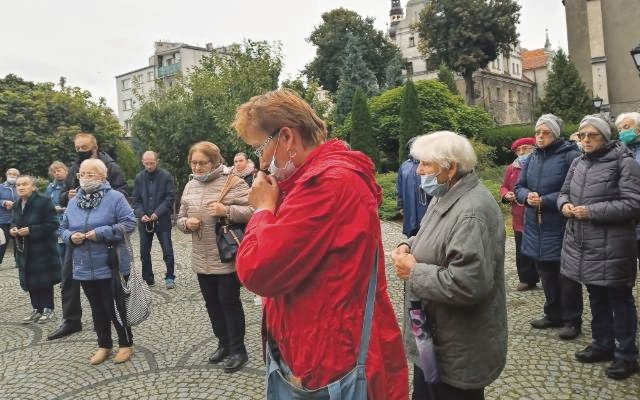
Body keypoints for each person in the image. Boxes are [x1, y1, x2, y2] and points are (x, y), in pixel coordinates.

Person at [231, 89, 408, 399]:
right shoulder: (308, 180)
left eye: (260, 148)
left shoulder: (325, 183)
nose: (260, 163)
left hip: (330, 359)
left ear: (286, 137)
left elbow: (258, 270)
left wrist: (262, 210)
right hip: (318, 347)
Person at [391, 131, 507, 400]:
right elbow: (430, 232)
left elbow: (469, 284)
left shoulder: (471, 211)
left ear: (451, 167)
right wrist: (410, 244)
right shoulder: (447, 193)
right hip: (435, 339)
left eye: (426, 164)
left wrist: (414, 272)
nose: (418, 171)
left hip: (457, 347)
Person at [559, 115, 640, 380]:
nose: (585, 140)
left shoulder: (624, 161)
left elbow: (633, 204)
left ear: (605, 136)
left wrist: (591, 211)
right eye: (581, 135)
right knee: (596, 296)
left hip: (614, 245)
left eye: (591, 135)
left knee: (620, 300)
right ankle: (602, 344)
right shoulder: (577, 162)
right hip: (584, 244)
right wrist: (564, 205)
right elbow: (564, 192)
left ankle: (626, 355)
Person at [176, 141, 252, 373]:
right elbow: (180, 218)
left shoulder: (234, 182)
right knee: (212, 304)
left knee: (229, 303)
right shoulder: (190, 186)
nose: (197, 167)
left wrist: (226, 211)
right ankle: (224, 345)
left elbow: (255, 210)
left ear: (215, 162)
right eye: (193, 163)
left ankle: (239, 350)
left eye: (202, 163)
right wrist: (186, 224)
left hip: (226, 256)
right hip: (201, 258)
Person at [49, 132, 127, 341]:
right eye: (77, 149)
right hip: (77, 238)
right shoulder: (75, 168)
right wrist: (69, 196)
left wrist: (103, 228)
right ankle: (72, 320)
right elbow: (64, 195)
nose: (80, 152)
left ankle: (119, 332)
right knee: (68, 279)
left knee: (109, 292)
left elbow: (122, 199)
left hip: (104, 243)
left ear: (94, 147)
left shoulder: (110, 167)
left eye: (84, 148)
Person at [60, 159, 136, 365]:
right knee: (96, 307)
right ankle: (104, 344)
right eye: (81, 174)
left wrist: (101, 233)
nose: (84, 178)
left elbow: (129, 223)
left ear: (103, 177)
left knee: (116, 306)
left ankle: (126, 343)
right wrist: (70, 236)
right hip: (83, 263)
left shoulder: (115, 198)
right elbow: (62, 227)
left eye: (90, 174)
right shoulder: (74, 201)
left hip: (111, 262)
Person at [515, 114, 583, 340]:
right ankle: (553, 313)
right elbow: (519, 186)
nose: (540, 137)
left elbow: (574, 190)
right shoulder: (533, 157)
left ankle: (572, 320)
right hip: (536, 224)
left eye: (545, 133)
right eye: (537, 132)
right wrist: (527, 197)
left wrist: (545, 199)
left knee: (566, 275)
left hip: (561, 224)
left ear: (555, 134)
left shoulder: (570, 155)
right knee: (545, 272)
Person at [11, 176, 61, 324]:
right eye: (18, 185)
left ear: (33, 187)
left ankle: (48, 308)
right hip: (24, 248)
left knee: (44, 279)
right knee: (30, 279)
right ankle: (36, 309)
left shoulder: (44, 201)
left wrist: (31, 230)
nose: (21, 187)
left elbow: (53, 224)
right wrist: (13, 229)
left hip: (43, 248)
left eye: (24, 184)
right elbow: (14, 221)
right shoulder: (16, 204)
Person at [132, 151, 176, 289]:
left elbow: (170, 198)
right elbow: (136, 201)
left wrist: (158, 212)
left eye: (152, 163)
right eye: (146, 163)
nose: (149, 166)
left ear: (157, 161)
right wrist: (140, 214)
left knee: (167, 250)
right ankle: (147, 278)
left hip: (161, 220)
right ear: (142, 162)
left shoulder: (166, 176)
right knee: (144, 252)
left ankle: (170, 276)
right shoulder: (139, 177)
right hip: (144, 220)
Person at [500, 137, 539, 291]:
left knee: (538, 247)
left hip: (537, 214)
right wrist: (506, 194)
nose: (522, 152)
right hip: (518, 216)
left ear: (534, 148)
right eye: (518, 150)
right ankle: (526, 278)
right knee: (521, 248)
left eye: (526, 148)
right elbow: (503, 186)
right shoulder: (512, 168)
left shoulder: (539, 165)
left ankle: (543, 274)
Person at [397, 137, 431, 237]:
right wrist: (401, 205)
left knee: (425, 233)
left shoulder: (430, 164)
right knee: (411, 234)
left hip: (426, 207)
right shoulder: (404, 166)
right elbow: (399, 187)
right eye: (412, 147)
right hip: (409, 206)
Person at [45, 161, 69, 265]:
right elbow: (46, 204)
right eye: (54, 172)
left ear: (65, 170)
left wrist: (64, 209)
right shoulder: (50, 187)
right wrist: (53, 208)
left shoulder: (71, 184)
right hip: (57, 223)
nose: (57, 173)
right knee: (60, 251)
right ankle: (63, 277)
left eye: (59, 170)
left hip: (70, 223)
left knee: (70, 251)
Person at [0, 168, 20, 266]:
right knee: (2, 242)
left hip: (18, 219)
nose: (12, 176)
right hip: (3, 219)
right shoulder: (1, 187)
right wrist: (4, 202)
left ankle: (19, 261)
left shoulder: (20, 187)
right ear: (6, 175)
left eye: (15, 174)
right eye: (10, 174)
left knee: (18, 242)